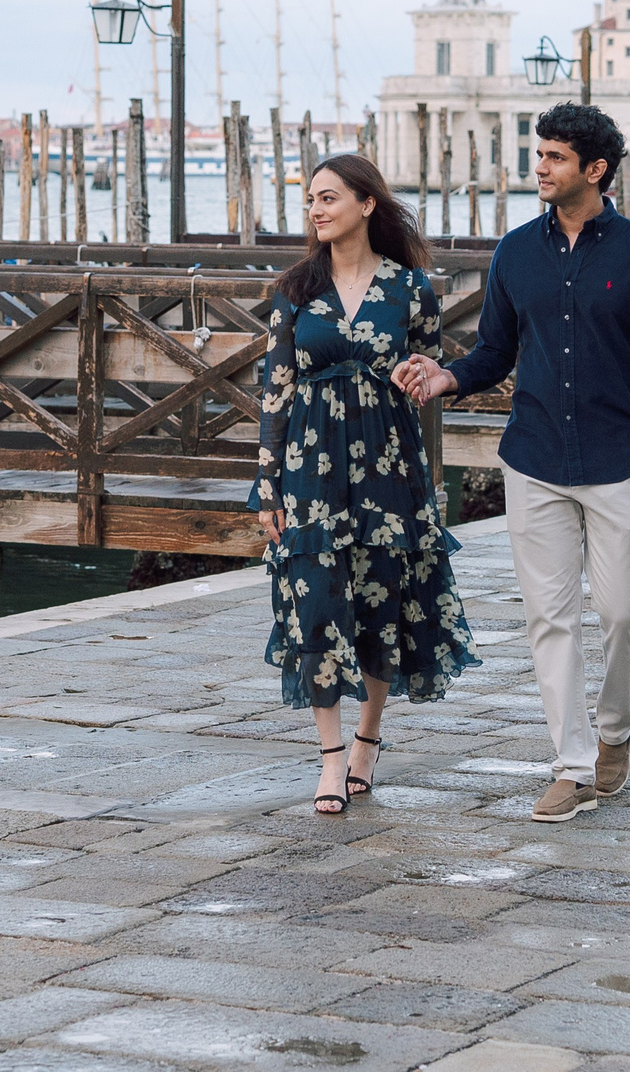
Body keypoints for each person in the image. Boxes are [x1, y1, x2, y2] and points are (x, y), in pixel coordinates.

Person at [394, 104, 630, 823]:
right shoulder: (515, 254)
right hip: (531, 461)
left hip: (621, 463)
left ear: (595, 170)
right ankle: (572, 765)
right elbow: (495, 351)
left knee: (623, 614)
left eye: (555, 157)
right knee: (550, 620)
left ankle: (615, 731)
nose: (540, 168)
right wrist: (447, 378)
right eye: (540, 155)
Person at [252, 154, 479, 815]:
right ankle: (328, 760)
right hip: (309, 469)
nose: (317, 210)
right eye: (311, 201)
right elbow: (275, 391)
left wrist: (420, 375)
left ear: (366, 204)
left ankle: (367, 741)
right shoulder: (295, 290)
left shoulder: (412, 290)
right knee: (316, 603)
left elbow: (428, 373)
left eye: (328, 197)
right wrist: (266, 487)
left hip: (390, 467)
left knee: (382, 604)